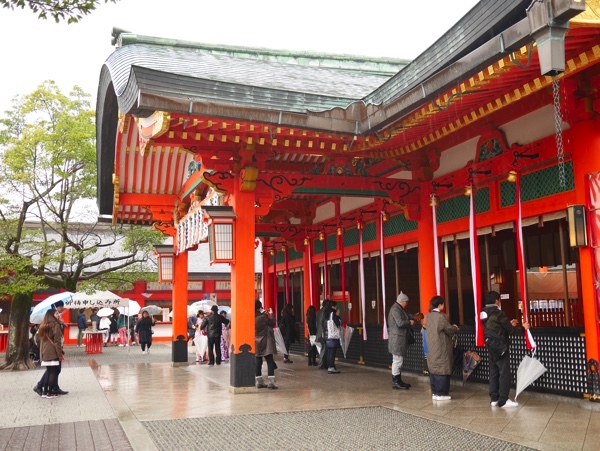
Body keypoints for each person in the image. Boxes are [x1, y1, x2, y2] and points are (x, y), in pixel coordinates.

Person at [481, 290, 530, 408]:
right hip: (501, 346)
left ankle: (494, 399)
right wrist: (523, 328)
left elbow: (494, 327)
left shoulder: (483, 312)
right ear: (496, 301)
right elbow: (510, 330)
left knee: (493, 373)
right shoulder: (499, 313)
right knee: (504, 373)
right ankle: (503, 400)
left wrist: (509, 323)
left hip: (490, 345)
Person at [425, 296, 459, 401]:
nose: (443, 306)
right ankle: (442, 393)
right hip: (441, 346)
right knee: (442, 368)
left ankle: (435, 392)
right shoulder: (440, 317)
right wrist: (455, 328)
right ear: (440, 305)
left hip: (432, 346)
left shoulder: (428, 316)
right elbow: (448, 329)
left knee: (434, 369)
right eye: (443, 304)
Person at [33, 301, 68, 396]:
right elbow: (56, 339)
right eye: (60, 307)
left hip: (47, 351)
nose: (61, 309)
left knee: (54, 370)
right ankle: (44, 388)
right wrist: (59, 354)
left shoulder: (46, 324)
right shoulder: (54, 324)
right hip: (53, 350)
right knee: (53, 370)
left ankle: (52, 388)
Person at [387, 291, 413, 390]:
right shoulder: (395, 309)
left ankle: (398, 380)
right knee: (397, 360)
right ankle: (396, 382)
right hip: (397, 339)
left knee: (398, 360)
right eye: (406, 302)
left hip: (398, 339)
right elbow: (400, 323)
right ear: (402, 301)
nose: (406, 304)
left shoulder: (397, 308)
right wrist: (409, 322)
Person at [255, 300, 278, 389]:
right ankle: (271, 382)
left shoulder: (251, 317)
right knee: (270, 361)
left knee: (258, 361)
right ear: (259, 307)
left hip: (256, 341)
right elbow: (272, 323)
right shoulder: (263, 317)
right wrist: (271, 314)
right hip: (266, 341)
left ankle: (259, 381)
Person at [323, 300, 341, 374]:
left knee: (329, 352)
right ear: (333, 306)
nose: (336, 307)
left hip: (328, 335)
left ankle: (329, 366)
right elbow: (337, 323)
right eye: (335, 306)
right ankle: (331, 367)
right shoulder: (333, 313)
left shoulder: (326, 313)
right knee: (332, 352)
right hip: (333, 335)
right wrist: (338, 316)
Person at [315, 300, 330, 370]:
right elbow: (323, 322)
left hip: (319, 332)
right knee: (324, 349)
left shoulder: (318, 312)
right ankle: (321, 364)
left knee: (323, 349)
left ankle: (323, 363)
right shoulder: (325, 312)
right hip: (323, 332)